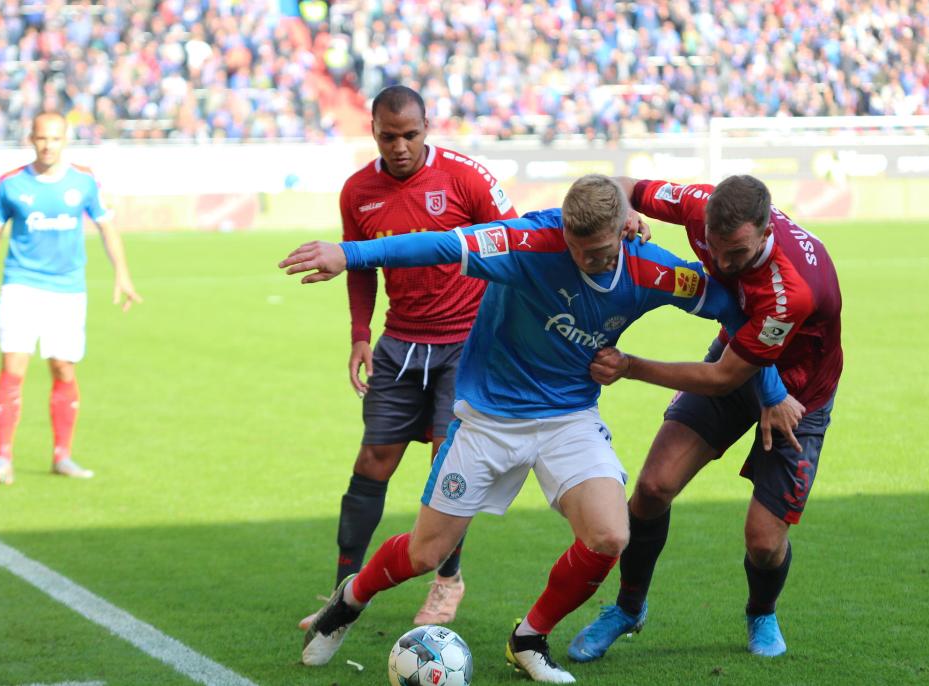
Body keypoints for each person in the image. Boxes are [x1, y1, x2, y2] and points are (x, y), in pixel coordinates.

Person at [280, 174, 802, 683]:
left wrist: (773, 391)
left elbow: (734, 310)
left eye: (598, 252)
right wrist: (348, 255)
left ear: (625, 229)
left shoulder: (653, 271)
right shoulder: (528, 241)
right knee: (426, 554)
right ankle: (350, 599)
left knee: (610, 534)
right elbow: (438, 246)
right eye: (577, 249)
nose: (585, 260)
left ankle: (528, 639)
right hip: (487, 419)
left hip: (569, 419)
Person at [569, 175, 842, 661]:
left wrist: (630, 366)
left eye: (736, 253)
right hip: (738, 354)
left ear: (765, 228)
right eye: (714, 248)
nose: (721, 263)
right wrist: (624, 212)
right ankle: (628, 608)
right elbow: (620, 183)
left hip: (796, 397)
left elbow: (722, 378)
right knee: (652, 488)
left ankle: (762, 611)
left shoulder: (789, 291)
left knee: (763, 542)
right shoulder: (698, 203)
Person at [295, 85, 519, 631]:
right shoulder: (357, 192)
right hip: (400, 344)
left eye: (410, 135)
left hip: (467, 344)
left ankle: (447, 583)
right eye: (388, 136)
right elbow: (359, 265)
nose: (400, 146)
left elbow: (518, 240)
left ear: (427, 127)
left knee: (449, 466)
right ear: (373, 131)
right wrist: (358, 334)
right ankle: (342, 592)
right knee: (373, 463)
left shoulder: (466, 177)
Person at [0, 111, 141, 485]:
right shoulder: (11, 184)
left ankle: (62, 456)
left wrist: (122, 274)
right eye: (42, 138)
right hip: (20, 285)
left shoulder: (84, 181)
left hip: (68, 290)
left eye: (55, 139)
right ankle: (2, 458)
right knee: (13, 368)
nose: (48, 145)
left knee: (63, 368)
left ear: (65, 140)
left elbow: (106, 226)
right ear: (31, 138)